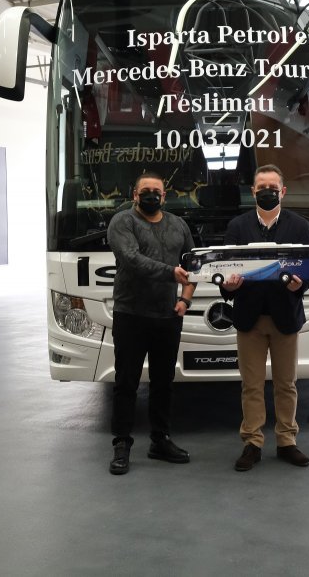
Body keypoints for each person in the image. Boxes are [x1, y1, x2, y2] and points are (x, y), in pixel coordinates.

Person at [220, 164, 309, 471]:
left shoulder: (299, 226)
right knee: (252, 385)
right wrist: (228, 286)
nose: (267, 192)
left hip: (285, 316)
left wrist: (301, 284)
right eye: (262, 188)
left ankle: (287, 441)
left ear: (283, 191)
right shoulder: (237, 226)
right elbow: (226, 269)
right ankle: (253, 442)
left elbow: (308, 268)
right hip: (249, 318)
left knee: (287, 384)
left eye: (273, 188)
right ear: (253, 192)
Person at [106, 171, 196, 475]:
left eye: (156, 191)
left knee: (163, 382)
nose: (151, 195)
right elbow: (131, 259)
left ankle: (160, 440)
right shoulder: (122, 222)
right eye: (145, 190)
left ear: (164, 196)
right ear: (135, 194)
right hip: (131, 314)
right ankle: (122, 444)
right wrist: (171, 272)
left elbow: (193, 264)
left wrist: (185, 300)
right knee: (126, 382)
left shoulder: (178, 225)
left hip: (168, 316)